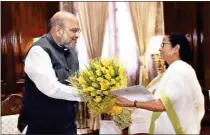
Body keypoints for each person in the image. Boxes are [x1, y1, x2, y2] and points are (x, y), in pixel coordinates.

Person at [114, 33, 205, 134]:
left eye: (163, 44)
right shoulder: (172, 70)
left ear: (176, 48)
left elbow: (163, 104)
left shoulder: (180, 70)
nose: (160, 49)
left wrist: (132, 103)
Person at [17, 11, 82, 134]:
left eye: (79, 31)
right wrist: (85, 94)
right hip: (40, 127)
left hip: (67, 127)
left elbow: (76, 82)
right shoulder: (38, 51)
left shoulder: (72, 51)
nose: (77, 35)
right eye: (74, 30)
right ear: (58, 30)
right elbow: (51, 88)